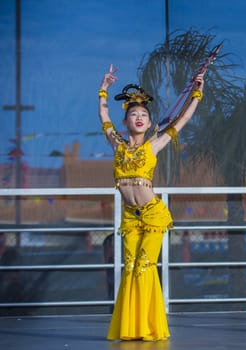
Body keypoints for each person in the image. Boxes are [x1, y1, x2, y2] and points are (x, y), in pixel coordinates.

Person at [98, 64, 204, 341]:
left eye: (144, 114)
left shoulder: (152, 146)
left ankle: (148, 328)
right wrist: (104, 89)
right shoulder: (117, 145)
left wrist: (197, 92)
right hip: (130, 216)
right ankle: (131, 328)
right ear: (127, 121)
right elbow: (103, 116)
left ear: (148, 120)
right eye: (134, 113)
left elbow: (181, 121)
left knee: (144, 267)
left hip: (153, 214)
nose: (139, 117)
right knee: (130, 269)